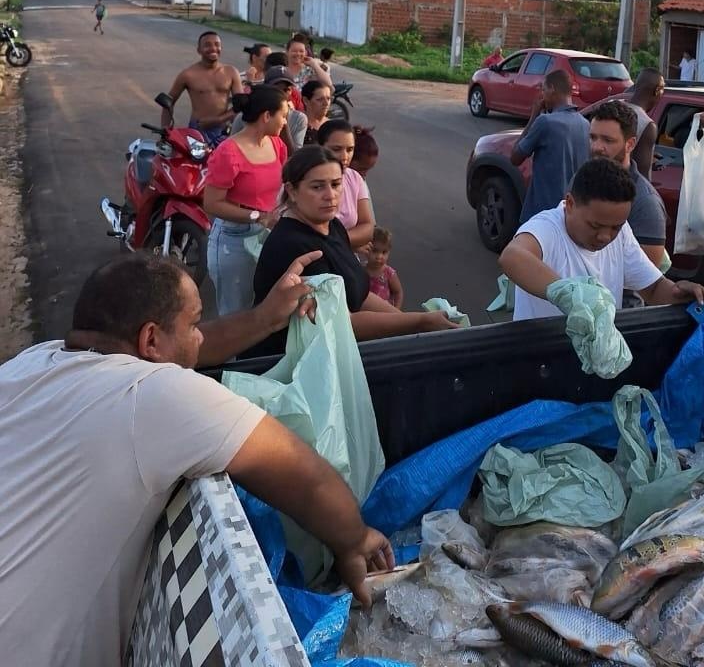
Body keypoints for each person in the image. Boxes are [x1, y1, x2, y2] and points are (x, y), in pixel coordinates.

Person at [0, 252, 394, 666]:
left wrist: (265, 319)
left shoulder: (30, 364)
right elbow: (304, 474)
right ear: (150, 341)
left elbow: (188, 348)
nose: (201, 336)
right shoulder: (149, 397)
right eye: (194, 323)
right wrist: (354, 540)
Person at [251, 146, 459, 354]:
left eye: (335, 184)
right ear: (292, 191)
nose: (330, 195)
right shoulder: (294, 245)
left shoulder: (331, 225)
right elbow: (344, 321)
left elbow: (358, 294)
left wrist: (405, 320)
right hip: (288, 364)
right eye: (317, 187)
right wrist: (419, 322)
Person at [500, 158, 704, 321]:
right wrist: (569, 294)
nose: (605, 237)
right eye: (595, 225)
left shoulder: (621, 231)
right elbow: (512, 257)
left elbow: (653, 290)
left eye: (615, 227)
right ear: (570, 204)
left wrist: (678, 292)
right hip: (543, 357)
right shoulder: (546, 228)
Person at [204, 86, 288, 315]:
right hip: (233, 240)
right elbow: (212, 203)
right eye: (283, 115)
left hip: (265, 235)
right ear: (267, 115)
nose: (285, 122)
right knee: (235, 314)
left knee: (263, 307)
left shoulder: (276, 145)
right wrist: (257, 216)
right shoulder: (228, 153)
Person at [588, 101, 668, 272]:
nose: (596, 147)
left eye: (607, 140)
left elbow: (646, 277)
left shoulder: (645, 202)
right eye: (593, 137)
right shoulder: (581, 179)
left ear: (630, 144)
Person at [511, 69, 590, 225]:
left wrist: (534, 116)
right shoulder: (585, 124)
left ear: (552, 89)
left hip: (542, 213)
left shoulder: (545, 122)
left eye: (543, 89)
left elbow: (515, 157)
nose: (542, 95)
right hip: (570, 214)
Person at [162, 31, 244, 147]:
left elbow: (241, 104)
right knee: (195, 164)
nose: (213, 48)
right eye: (207, 45)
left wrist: (219, 120)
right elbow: (168, 102)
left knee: (223, 163)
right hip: (198, 130)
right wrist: (165, 130)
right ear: (199, 50)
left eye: (217, 44)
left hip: (224, 130)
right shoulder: (188, 75)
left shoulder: (231, 72)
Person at [316, 119, 374, 250]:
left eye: (350, 149)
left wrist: (336, 242)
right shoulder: (304, 180)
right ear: (319, 147)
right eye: (336, 149)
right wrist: (350, 243)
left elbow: (367, 227)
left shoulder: (354, 178)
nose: (344, 156)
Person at [232, 66, 308, 152]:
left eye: (286, 89)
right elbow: (233, 147)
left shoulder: (299, 119)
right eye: (276, 89)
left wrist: (283, 123)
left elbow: (294, 157)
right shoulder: (246, 116)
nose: (281, 94)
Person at [624, 67, 666, 180]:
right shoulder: (647, 125)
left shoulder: (613, 108)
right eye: (663, 89)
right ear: (657, 91)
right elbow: (641, 177)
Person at [366, 225, 403, 308]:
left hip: (385, 311)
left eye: (384, 252)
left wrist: (396, 311)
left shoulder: (388, 273)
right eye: (375, 251)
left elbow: (398, 292)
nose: (379, 256)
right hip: (366, 311)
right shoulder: (361, 270)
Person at [302, 79, 333, 144]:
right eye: (320, 99)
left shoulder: (333, 127)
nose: (326, 103)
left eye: (328, 98)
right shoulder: (298, 125)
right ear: (306, 101)